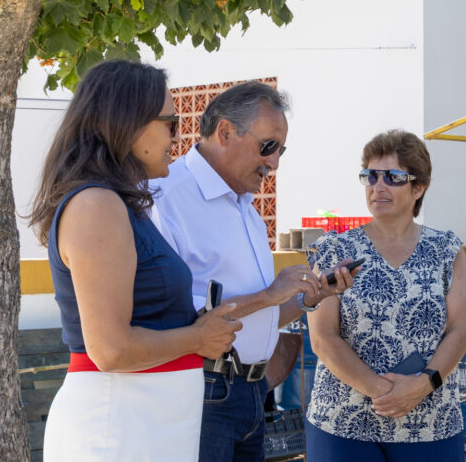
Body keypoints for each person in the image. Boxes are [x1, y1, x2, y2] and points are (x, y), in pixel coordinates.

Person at [29, 59, 242, 461]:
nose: (176, 139)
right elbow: (109, 349)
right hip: (119, 425)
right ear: (128, 124)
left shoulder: (116, 204)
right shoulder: (96, 204)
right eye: (170, 124)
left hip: (144, 424)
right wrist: (199, 338)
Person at [151, 82, 354, 462]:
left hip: (254, 393)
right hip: (200, 392)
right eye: (268, 146)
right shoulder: (166, 197)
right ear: (225, 133)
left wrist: (311, 297)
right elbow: (170, 315)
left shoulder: (246, 208)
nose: (274, 162)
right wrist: (268, 295)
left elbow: (264, 314)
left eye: (281, 150)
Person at [305, 129, 466, 460]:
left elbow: (460, 330)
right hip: (342, 424)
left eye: (393, 177)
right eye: (370, 176)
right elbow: (322, 337)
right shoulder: (334, 250)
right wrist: (386, 393)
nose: (377, 186)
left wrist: (422, 386)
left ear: (418, 187)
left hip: (431, 424)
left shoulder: (446, 250)